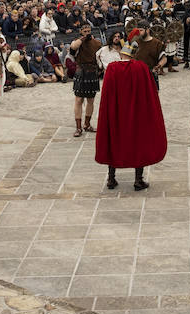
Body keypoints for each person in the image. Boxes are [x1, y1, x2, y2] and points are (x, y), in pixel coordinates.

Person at [94, 29, 167, 191]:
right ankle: (138, 180)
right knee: (138, 142)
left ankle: (111, 179)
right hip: (136, 114)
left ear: (122, 54)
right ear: (134, 55)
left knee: (113, 141)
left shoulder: (112, 69)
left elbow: (106, 95)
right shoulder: (141, 68)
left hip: (115, 114)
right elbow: (150, 93)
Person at [68, 23, 102, 136]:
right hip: (81, 72)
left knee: (91, 100)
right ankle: (78, 127)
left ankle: (87, 124)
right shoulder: (78, 41)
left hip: (92, 72)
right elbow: (73, 47)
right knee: (78, 100)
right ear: (81, 32)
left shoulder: (96, 43)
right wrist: (83, 38)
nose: (87, 33)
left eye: (89, 31)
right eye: (85, 31)